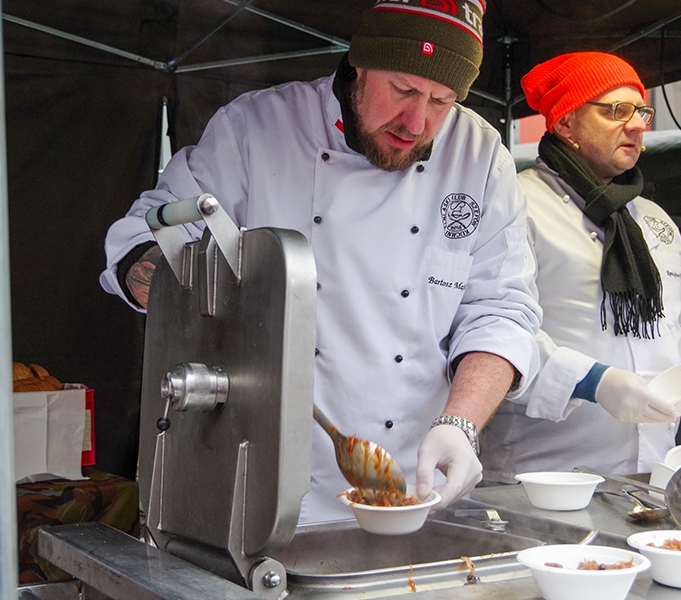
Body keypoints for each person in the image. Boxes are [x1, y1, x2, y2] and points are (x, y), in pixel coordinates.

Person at [100, 0, 542, 523]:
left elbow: (502, 311)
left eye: (441, 101)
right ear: (359, 63)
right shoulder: (257, 128)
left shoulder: (479, 153)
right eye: (402, 90)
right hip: (264, 483)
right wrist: (180, 288)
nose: (417, 121)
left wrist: (462, 425)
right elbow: (148, 233)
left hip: (416, 488)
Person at [479, 52, 681, 482]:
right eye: (616, 111)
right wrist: (593, 382)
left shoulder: (651, 218)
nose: (638, 124)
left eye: (641, 111)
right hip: (543, 472)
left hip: (653, 471)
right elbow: (493, 328)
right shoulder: (516, 204)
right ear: (565, 122)